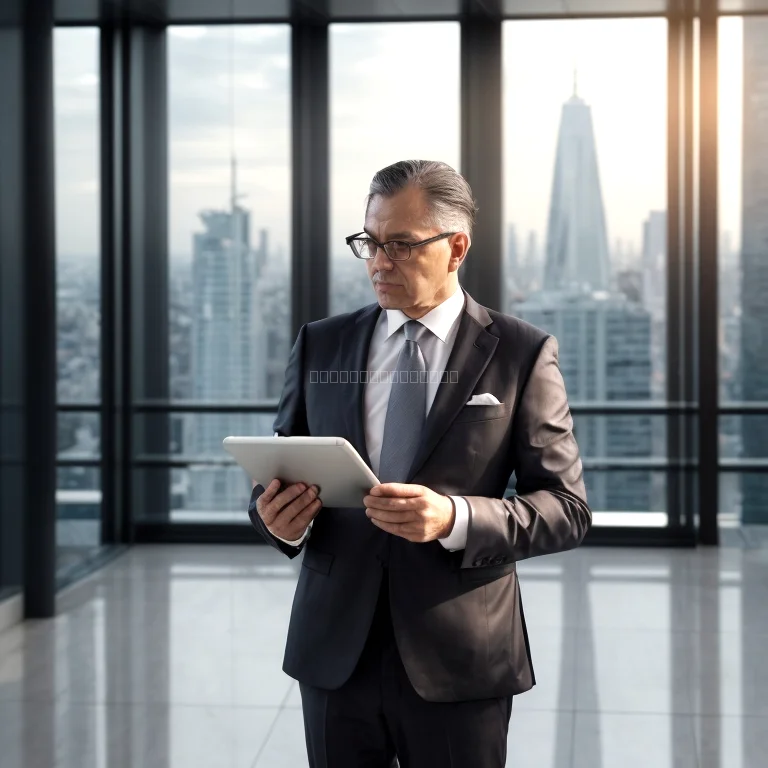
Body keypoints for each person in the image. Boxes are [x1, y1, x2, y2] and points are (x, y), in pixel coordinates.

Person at [248, 159, 591, 768]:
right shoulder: (321, 344)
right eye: (369, 243)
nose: (379, 263)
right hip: (334, 652)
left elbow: (565, 509)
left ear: (456, 247)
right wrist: (276, 519)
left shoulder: (521, 353)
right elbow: (280, 471)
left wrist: (455, 516)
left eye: (401, 245)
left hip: (461, 656)